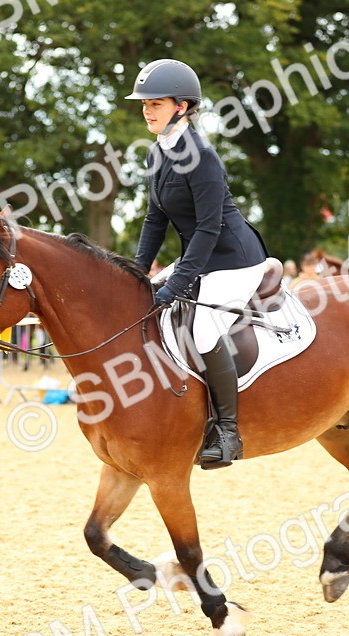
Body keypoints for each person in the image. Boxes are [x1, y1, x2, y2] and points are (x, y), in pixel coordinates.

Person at [129, 58, 269, 469]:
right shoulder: (158, 153)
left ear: (182, 106)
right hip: (198, 256)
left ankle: (227, 431)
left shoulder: (202, 156)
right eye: (144, 103)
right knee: (146, 304)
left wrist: (175, 283)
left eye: (155, 102)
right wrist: (139, 272)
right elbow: (154, 219)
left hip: (233, 260)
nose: (147, 110)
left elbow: (209, 229)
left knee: (203, 327)